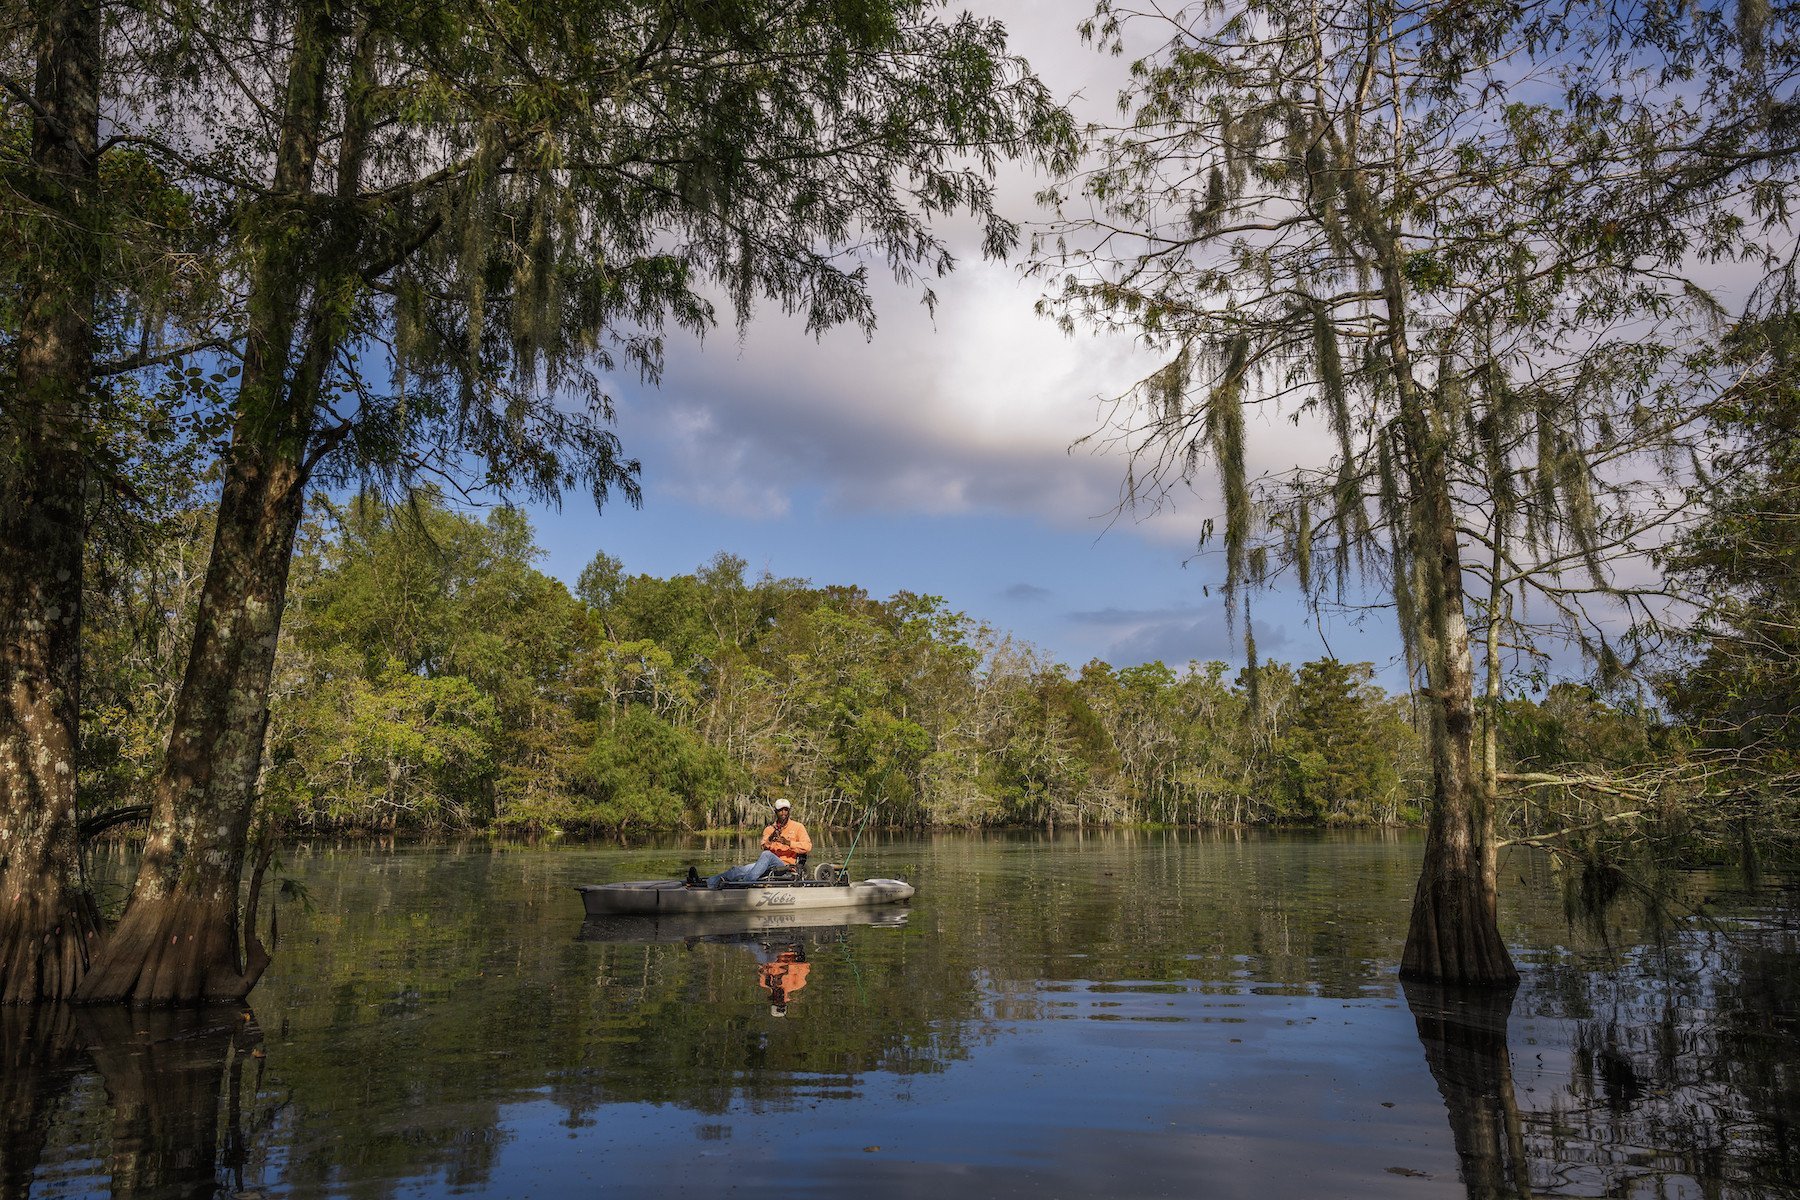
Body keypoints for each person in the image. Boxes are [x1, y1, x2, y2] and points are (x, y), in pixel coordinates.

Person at [688, 798, 812, 890]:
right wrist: (771, 839)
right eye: (780, 810)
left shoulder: (798, 827)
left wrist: (788, 842)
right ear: (776, 812)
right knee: (737, 870)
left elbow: (807, 846)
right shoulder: (770, 829)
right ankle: (704, 883)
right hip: (767, 865)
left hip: (785, 866)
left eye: (786, 810)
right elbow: (763, 845)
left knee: (767, 855)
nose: (783, 812)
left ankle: (744, 884)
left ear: (789, 811)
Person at [758, 943, 810, 1017]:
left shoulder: (764, 983)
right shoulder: (797, 985)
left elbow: (761, 967)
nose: (779, 1000)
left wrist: (767, 974)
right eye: (782, 1003)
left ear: (773, 1001)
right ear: (785, 1003)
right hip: (792, 950)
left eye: (777, 1002)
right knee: (800, 956)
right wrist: (785, 971)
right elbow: (804, 966)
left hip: (771, 951)